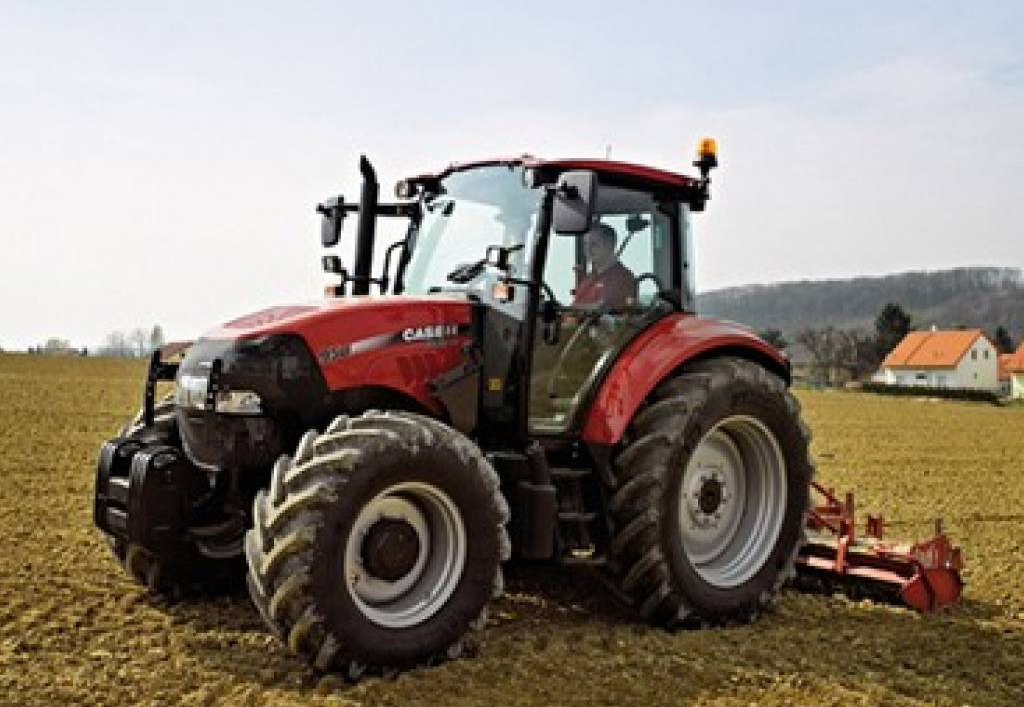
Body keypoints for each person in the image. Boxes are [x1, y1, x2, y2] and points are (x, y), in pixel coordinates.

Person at [573, 222, 636, 308]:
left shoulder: (622, 278)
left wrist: (576, 309)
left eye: (594, 244)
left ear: (610, 245)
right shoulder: (589, 278)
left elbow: (605, 308)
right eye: (585, 244)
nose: (588, 249)